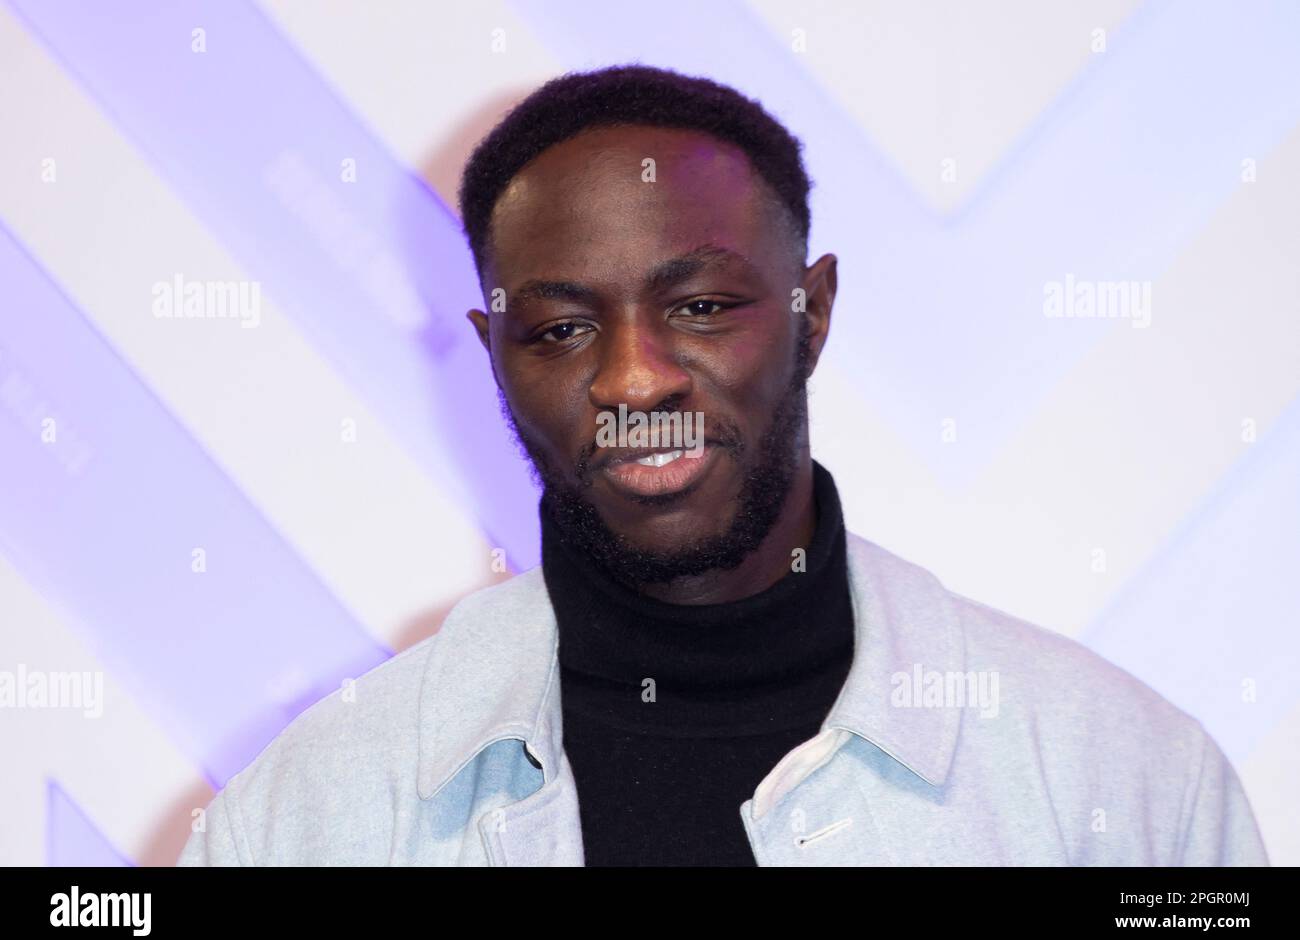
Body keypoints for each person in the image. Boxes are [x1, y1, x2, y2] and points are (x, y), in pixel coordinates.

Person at [178, 65, 1267, 866]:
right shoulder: (303, 819)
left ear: (814, 311)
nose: (635, 380)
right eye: (560, 328)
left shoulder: (1124, 782)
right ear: (493, 354)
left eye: (699, 308)